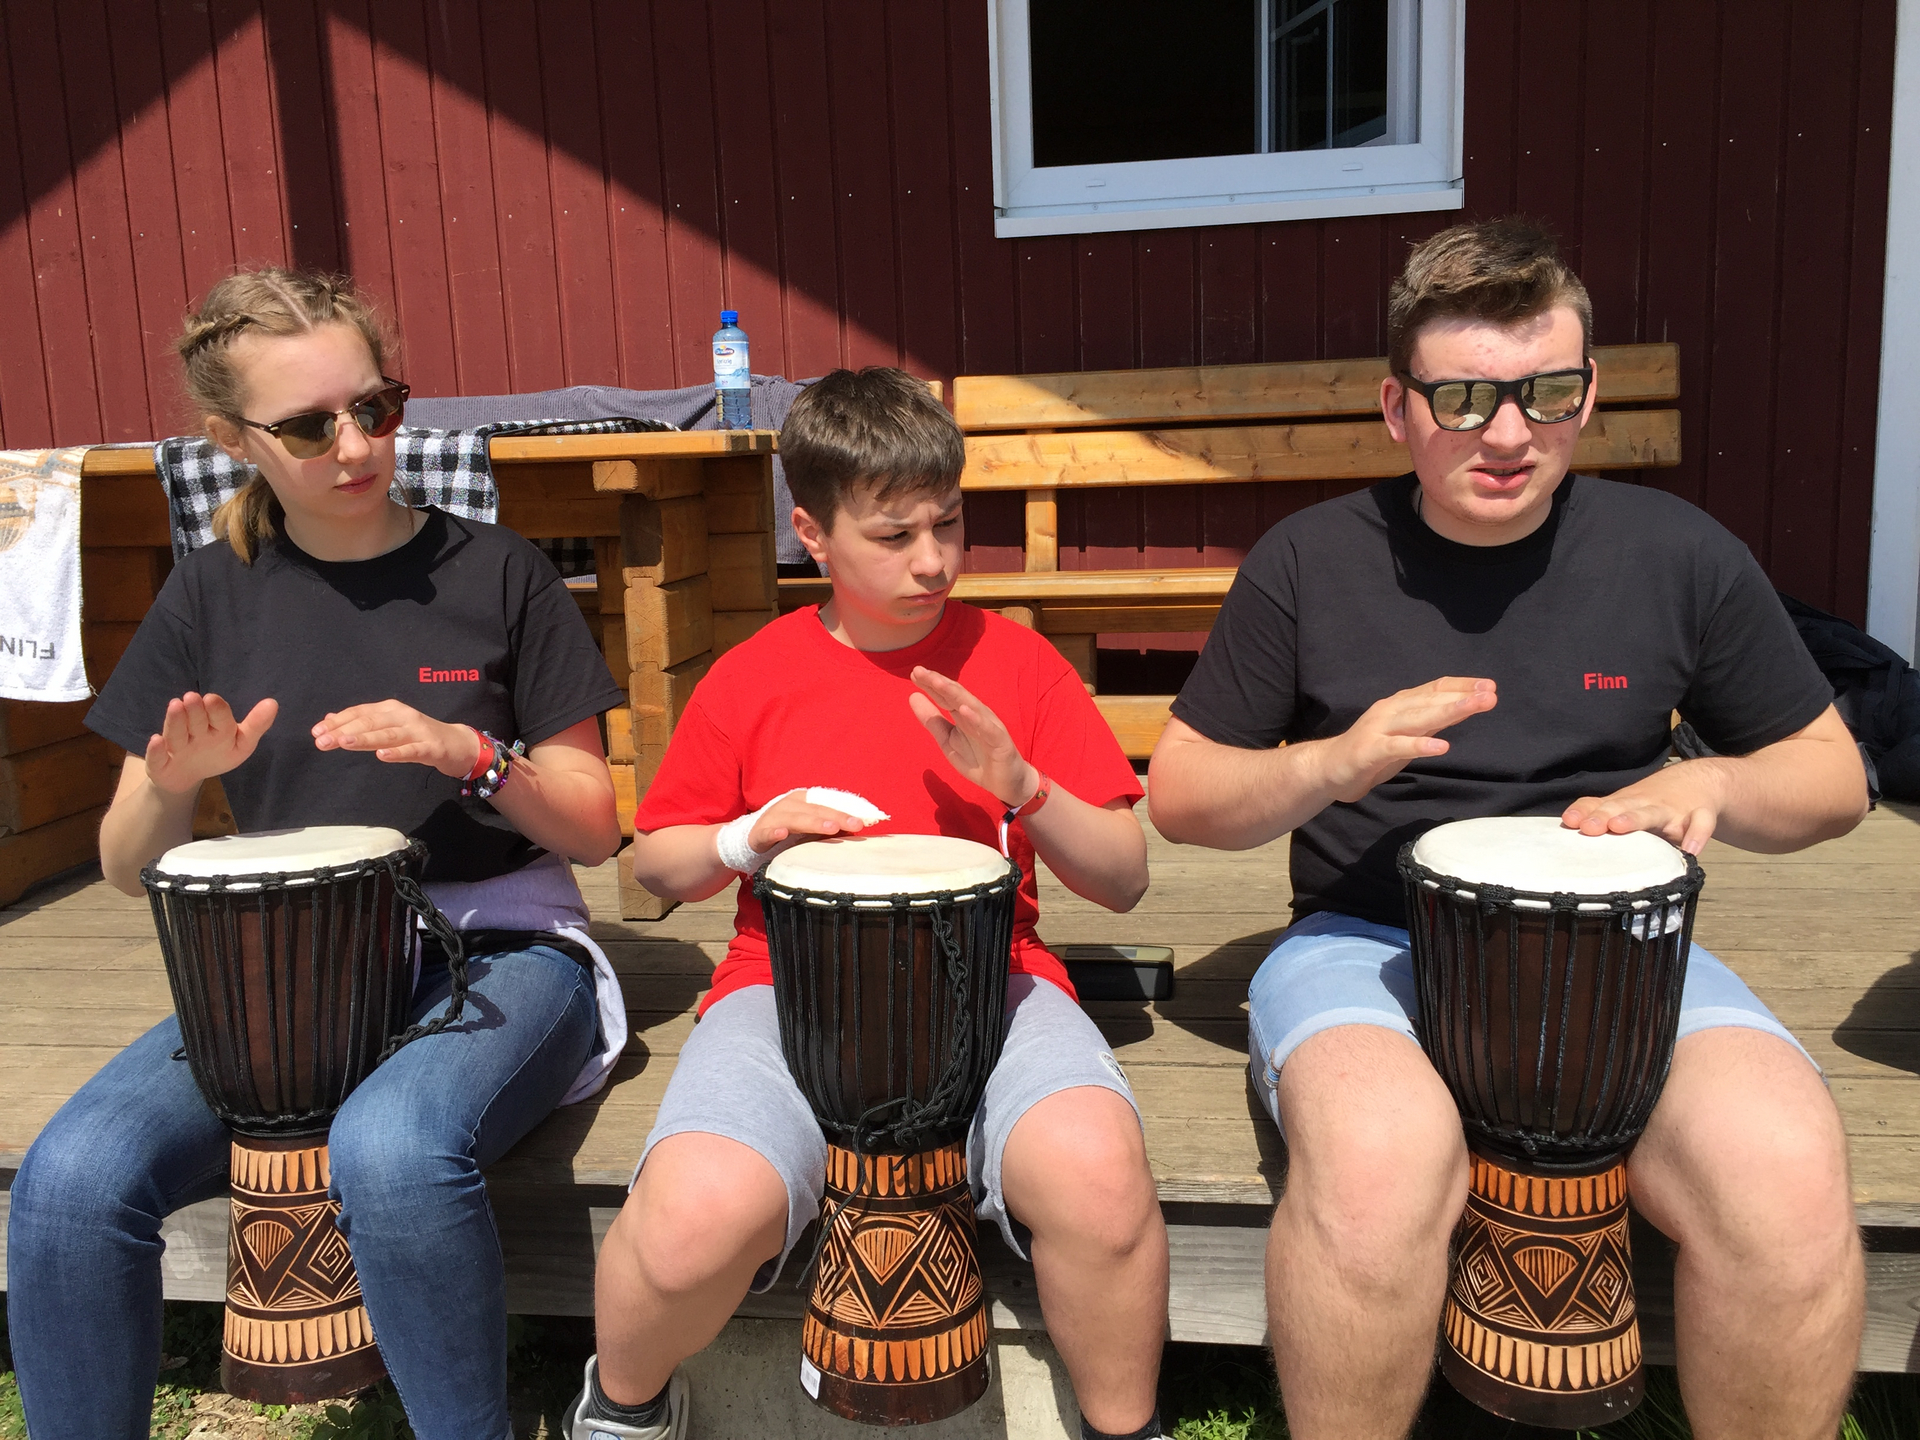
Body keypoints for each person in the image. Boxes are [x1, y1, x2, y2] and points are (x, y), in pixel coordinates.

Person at [1147, 219, 1868, 1440]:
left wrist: (1718, 787)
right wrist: (1331, 764)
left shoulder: (1677, 553)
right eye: (1466, 396)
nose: (1508, 432)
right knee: (1376, 1175)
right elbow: (1183, 793)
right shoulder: (1308, 561)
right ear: (1398, 407)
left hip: (1620, 951)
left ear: (1589, 392)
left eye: (1547, 392)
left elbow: (1833, 777)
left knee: (1787, 1174)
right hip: (1368, 938)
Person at [5, 267, 628, 1440]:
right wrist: (175, 783)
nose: (356, 446)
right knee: (71, 1180)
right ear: (233, 440)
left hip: (500, 943)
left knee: (390, 1149)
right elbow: (127, 865)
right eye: (307, 427)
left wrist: (470, 755)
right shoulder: (210, 594)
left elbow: (596, 828)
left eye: (376, 408)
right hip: (286, 970)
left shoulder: (501, 572)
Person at [570, 367, 1169, 1440]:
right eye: (894, 535)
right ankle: (623, 1406)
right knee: (691, 1216)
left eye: (950, 523)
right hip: (784, 986)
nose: (933, 559)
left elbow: (1123, 878)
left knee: (1098, 1180)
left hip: (996, 981)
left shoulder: (1016, 664)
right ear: (812, 532)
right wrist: (749, 835)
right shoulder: (752, 677)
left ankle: (1127, 1428)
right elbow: (657, 866)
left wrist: (1024, 786)